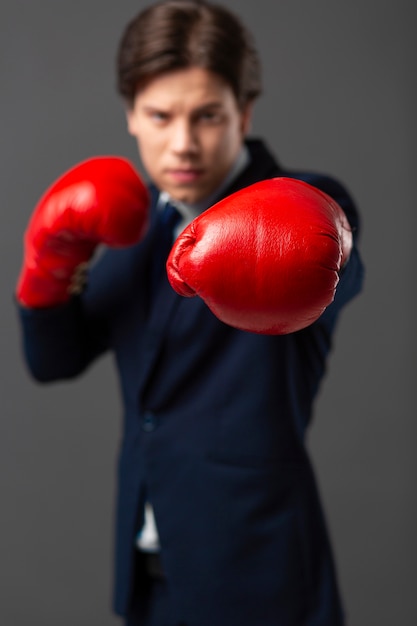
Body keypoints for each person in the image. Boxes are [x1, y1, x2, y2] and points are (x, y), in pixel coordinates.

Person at [15, 1, 364, 625]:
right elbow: (53, 362)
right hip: (150, 576)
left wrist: (318, 236)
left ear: (243, 112)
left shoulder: (307, 204)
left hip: (261, 577)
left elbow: (338, 255)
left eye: (207, 116)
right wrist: (48, 265)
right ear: (130, 114)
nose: (183, 143)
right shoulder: (129, 224)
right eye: (160, 115)